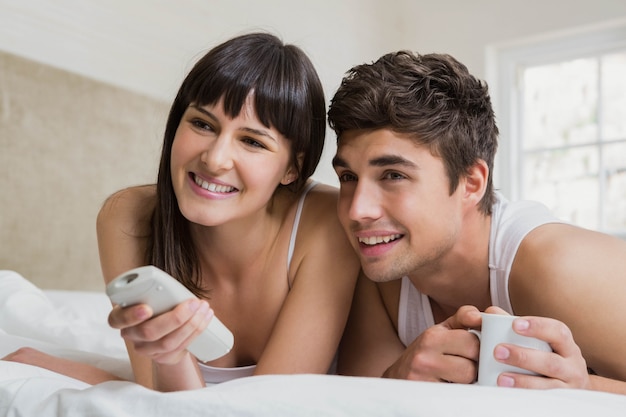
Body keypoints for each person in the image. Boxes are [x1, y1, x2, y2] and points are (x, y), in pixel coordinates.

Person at [2, 32, 360, 391]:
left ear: (292, 168)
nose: (215, 159)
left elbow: (269, 406)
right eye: (203, 124)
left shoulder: (325, 224)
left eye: (252, 141)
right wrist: (164, 360)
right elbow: (161, 396)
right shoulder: (128, 218)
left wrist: (100, 378)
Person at [327, 50, 626, 394]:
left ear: (471, 183)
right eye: (348, 176)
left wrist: (585, 388)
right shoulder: (380, 267)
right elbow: (359, 400)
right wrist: (397, 377)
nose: (357, 210)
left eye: (393, 175)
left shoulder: (560, 266)